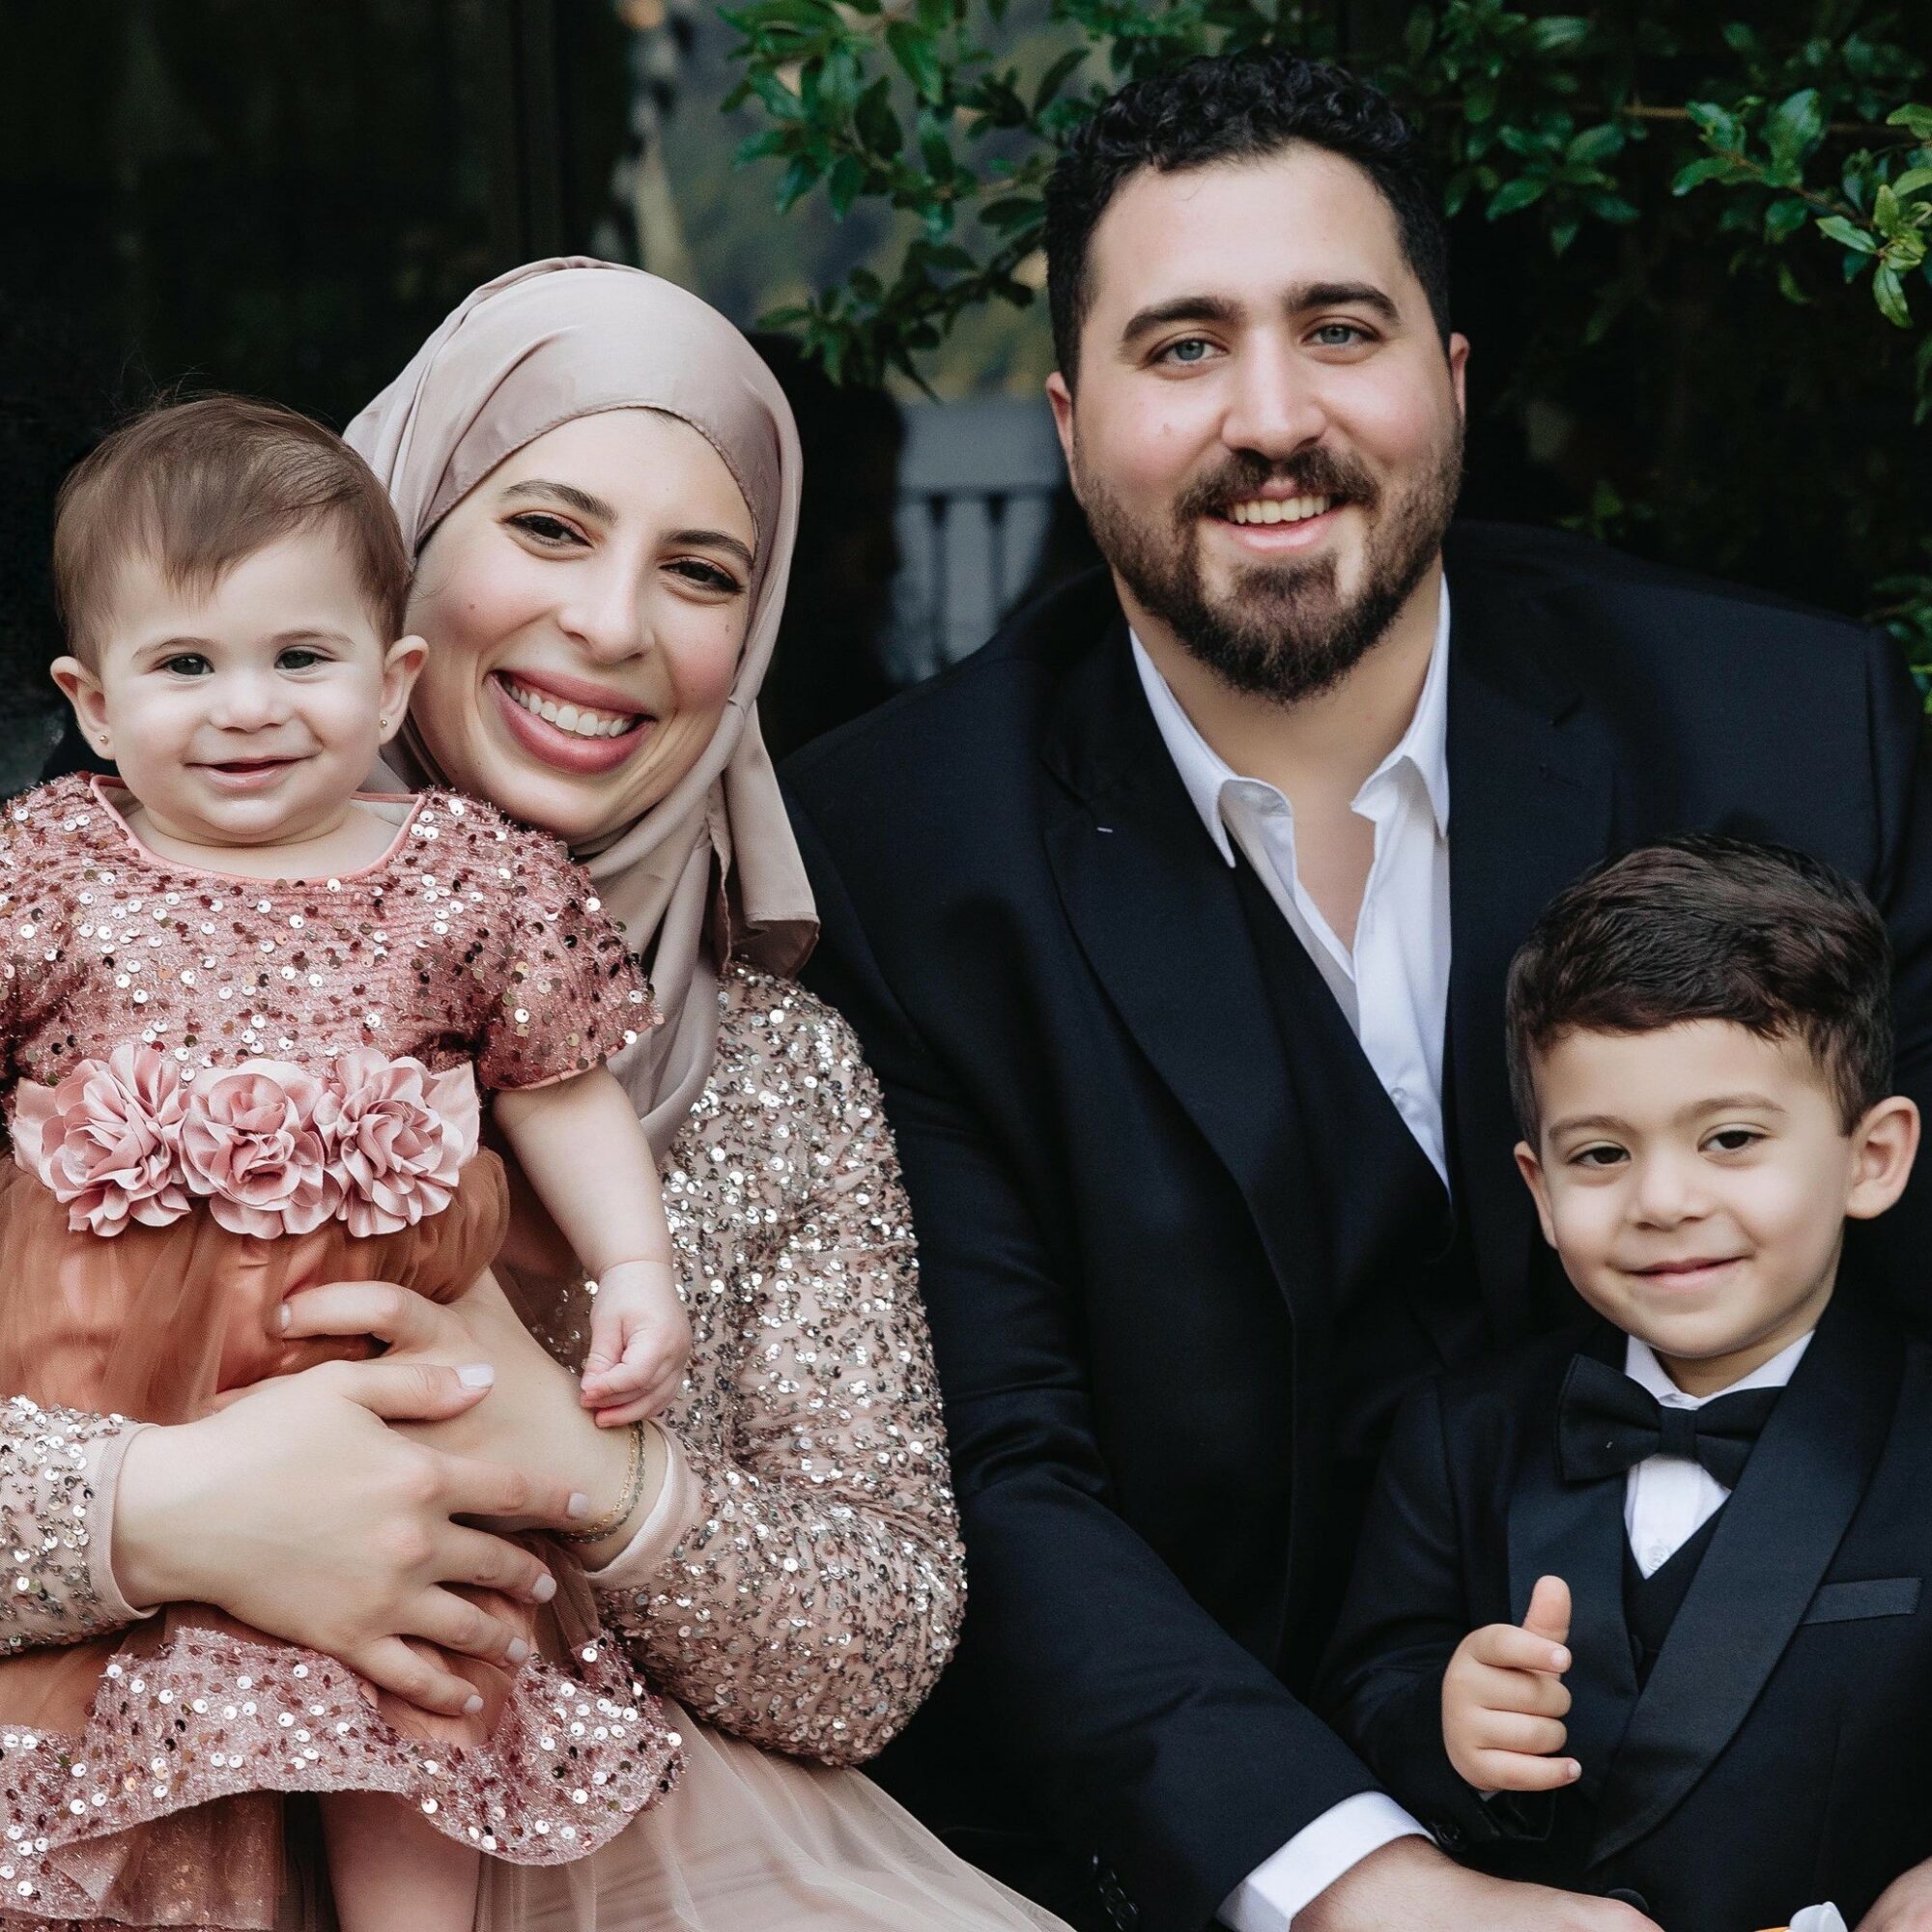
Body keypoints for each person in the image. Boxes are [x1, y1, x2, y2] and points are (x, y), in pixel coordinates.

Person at [781, 48, 1932, 1932]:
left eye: (1336, 327)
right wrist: (1368, 1890)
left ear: (1450, 382)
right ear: (1067, 423)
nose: (1270, 416)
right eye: (1180, 348)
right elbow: (998, 1479)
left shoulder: (1789, 727)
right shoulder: (907, 857)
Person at [0, 259, 1070, 1932]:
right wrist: (168, 1514)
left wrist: (584, 1468)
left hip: (611, 1845)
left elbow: (874, 1645)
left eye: (701, 570)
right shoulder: (74, 941)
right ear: (405, 537)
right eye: (552, 530)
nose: (612, 624)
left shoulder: (769, 1068)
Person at [0, 392, 690, 1930]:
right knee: (108, 1727)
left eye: (299, 660)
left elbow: (560, 1083)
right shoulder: (46, 871)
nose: (248, 707)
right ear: (95, 702)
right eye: (186, 665)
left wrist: (637, 1265)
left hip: (382, 1390)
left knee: (415, 1691)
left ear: (390, 685)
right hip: (119, 1379)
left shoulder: (464, 876)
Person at [1321, 837, 1932, 1931]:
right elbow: (1369, 1684)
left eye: (1729, 1137)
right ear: (1539, 1188)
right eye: (1600, 1153)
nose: (1661, 1197)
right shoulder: (1457, 1431)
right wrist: (1446, 1720)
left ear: (1869, 1157)